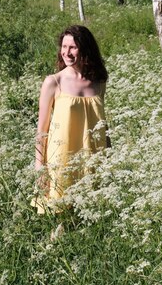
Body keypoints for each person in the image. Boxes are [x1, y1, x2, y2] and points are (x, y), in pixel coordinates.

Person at [32, 25, 109, 214]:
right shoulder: (53, 82)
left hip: (93, 155)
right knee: (60, 214)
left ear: (85, 49)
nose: (67, 52)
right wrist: (39, 167)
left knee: (93, 211)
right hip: (62, 157)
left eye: (73, 47)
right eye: (64, 47)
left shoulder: (99, 81)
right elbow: (41, 129)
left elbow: (102, 121)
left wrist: (109, 156)